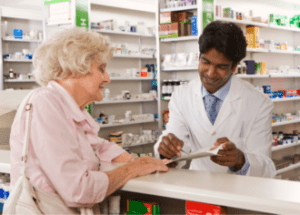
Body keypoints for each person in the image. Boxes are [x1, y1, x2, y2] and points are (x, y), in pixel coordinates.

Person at [9, 28, 168, 214]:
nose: (107, 78)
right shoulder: (44, 103)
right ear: (74, 66)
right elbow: (78, 190)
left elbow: (95, 145)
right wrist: (133, 168)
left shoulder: (70, 107)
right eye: (101, 69)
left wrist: (133, 159)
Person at [154, 21, 276, 178]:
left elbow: (265, 166)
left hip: (239, 192)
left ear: (234, 67)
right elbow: (175, 145)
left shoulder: (258, 103)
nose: (210, 73)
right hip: (196, 188)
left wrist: (240, 160)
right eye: (206, 62)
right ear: (199, 58)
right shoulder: (182, 95)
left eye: (221, 67)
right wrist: (166, 151)